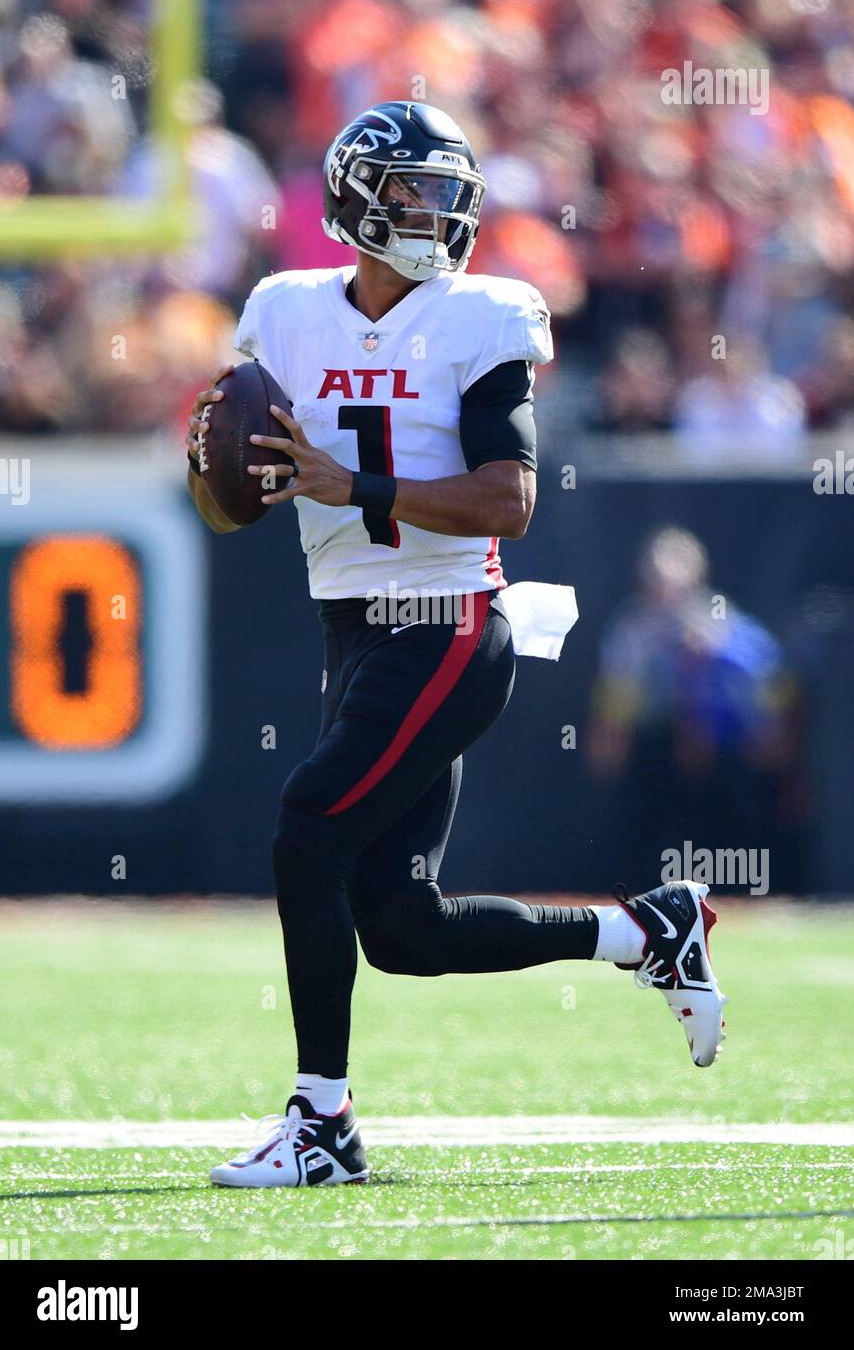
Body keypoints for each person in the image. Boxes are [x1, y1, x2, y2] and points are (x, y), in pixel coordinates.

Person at [185, 102, 727, 1190]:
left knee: (305, 825)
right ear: (352, 198)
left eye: (445, 190)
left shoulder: (482, 318)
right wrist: (213, 466)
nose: (436, 210)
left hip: (449, 629)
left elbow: (509, 500)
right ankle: (648, 931)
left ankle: (322, 1121)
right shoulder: (285, 312)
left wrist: (357, 485)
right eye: (412, 190)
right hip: (353, 630)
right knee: (402, 926)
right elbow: (222, 492)